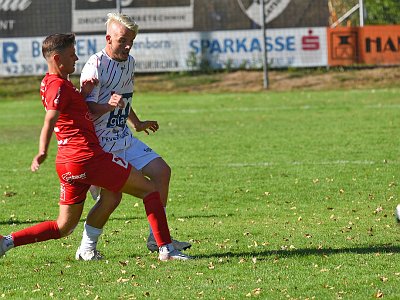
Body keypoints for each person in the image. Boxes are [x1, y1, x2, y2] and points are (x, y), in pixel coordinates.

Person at [0, 33, 191, 261]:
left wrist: (86, 94)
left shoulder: (56, 84)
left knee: (64, 226)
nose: (77, 58)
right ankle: (166, 250)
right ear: (58, 59)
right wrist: (41, 151)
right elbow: (51, 118)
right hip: (88, 158)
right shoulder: (57, 86)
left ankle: (7, 242)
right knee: (150, 190)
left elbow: (74, 112)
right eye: (72, 55)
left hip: (67, 164)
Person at [77, 12, 191, 257]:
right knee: (112, 197)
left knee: (162, 171)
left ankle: (157, 237)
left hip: (123, 137)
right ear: (109, 38)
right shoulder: (95, 65)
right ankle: (86, 248)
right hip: (102, 144)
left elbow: (124, 99)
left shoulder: (129, 62)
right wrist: (108, 105)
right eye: (122, 40)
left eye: (131, 41)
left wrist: (136, 123)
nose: (128, 45)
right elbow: (82, 107)